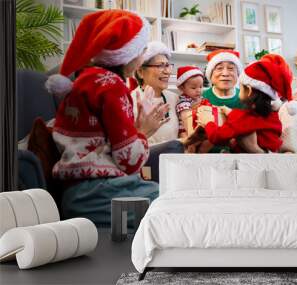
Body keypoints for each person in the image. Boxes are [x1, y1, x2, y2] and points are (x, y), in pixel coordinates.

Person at [45, 10, 169, 226]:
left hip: (77, 194)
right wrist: (143, 131)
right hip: (101, 194)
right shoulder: (112, 87)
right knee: (174, 205)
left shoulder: (85, 81)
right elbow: (129, 162)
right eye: (142, 51)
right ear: (126, 54)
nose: (142, 59)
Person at [197, 54, 292, 153]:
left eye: (231, 68)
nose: (225, 73)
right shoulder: (273, 116)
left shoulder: (243, 118)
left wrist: (208, 122)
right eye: (219, 68)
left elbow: (218, 136)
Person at [132, 41, 180, 145]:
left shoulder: (174, 98)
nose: (167, 71)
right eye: (160, 66)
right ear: (140, 72)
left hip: (171, 159)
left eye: (168, 65)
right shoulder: (130, 101)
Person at [175, 66, 204, 138]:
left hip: (198, 126)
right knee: (186, 139)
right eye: (193, 88)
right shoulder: (184, 101)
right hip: (186, 129)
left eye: (200, 87)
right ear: (182, 88)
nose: (198, 90)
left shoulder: (200, 98)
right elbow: (186, 117)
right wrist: (192, 133)